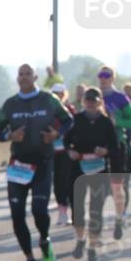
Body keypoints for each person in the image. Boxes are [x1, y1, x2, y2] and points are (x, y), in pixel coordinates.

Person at [0, 64, 73, 261]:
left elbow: (67, 121)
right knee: (17, 213)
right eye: (21, 74)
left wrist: (56, 135)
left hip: (43, 162)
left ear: (35, 77)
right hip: (18, 164)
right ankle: (29, 259)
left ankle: (45, 241)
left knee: (39, 210)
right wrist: (9, 136)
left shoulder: (48, 100)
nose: (24, 77)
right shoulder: (10, 104)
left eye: (28, 74)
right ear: (17, 78)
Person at [65, 87, 119, 261]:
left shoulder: (106, 122)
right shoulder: (76, 120)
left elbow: (115, 146)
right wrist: (70, 151)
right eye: (87, 100)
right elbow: (66, 141)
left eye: (94, 101)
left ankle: (92, 247)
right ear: (83, 102)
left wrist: (105, 151)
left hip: (99, 169)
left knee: (96, 210)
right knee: (77, 208)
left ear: (99, 102)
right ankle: (80, 240)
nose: (90, 103)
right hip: (78, 168)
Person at [97, 65, 131, 240]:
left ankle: (119, 217)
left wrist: (117, 120)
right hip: (98, 150)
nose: (103, 78)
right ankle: (97, 229)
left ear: (112, 78)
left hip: (119, 147)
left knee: (120, 187)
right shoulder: (94, 96)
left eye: (107, 75)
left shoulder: (121, 98)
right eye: (101, 75)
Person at [49, 83, 77, 226]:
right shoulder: (47, 111)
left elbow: (74, 130)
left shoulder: (70, 110)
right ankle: (62, 212)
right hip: (53, 152)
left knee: (70, 182)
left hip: (68, 152)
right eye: (54, 93)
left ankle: (75, 211)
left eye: (59, 93)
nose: (57, 95)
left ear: (64, 94)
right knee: (58, 184)